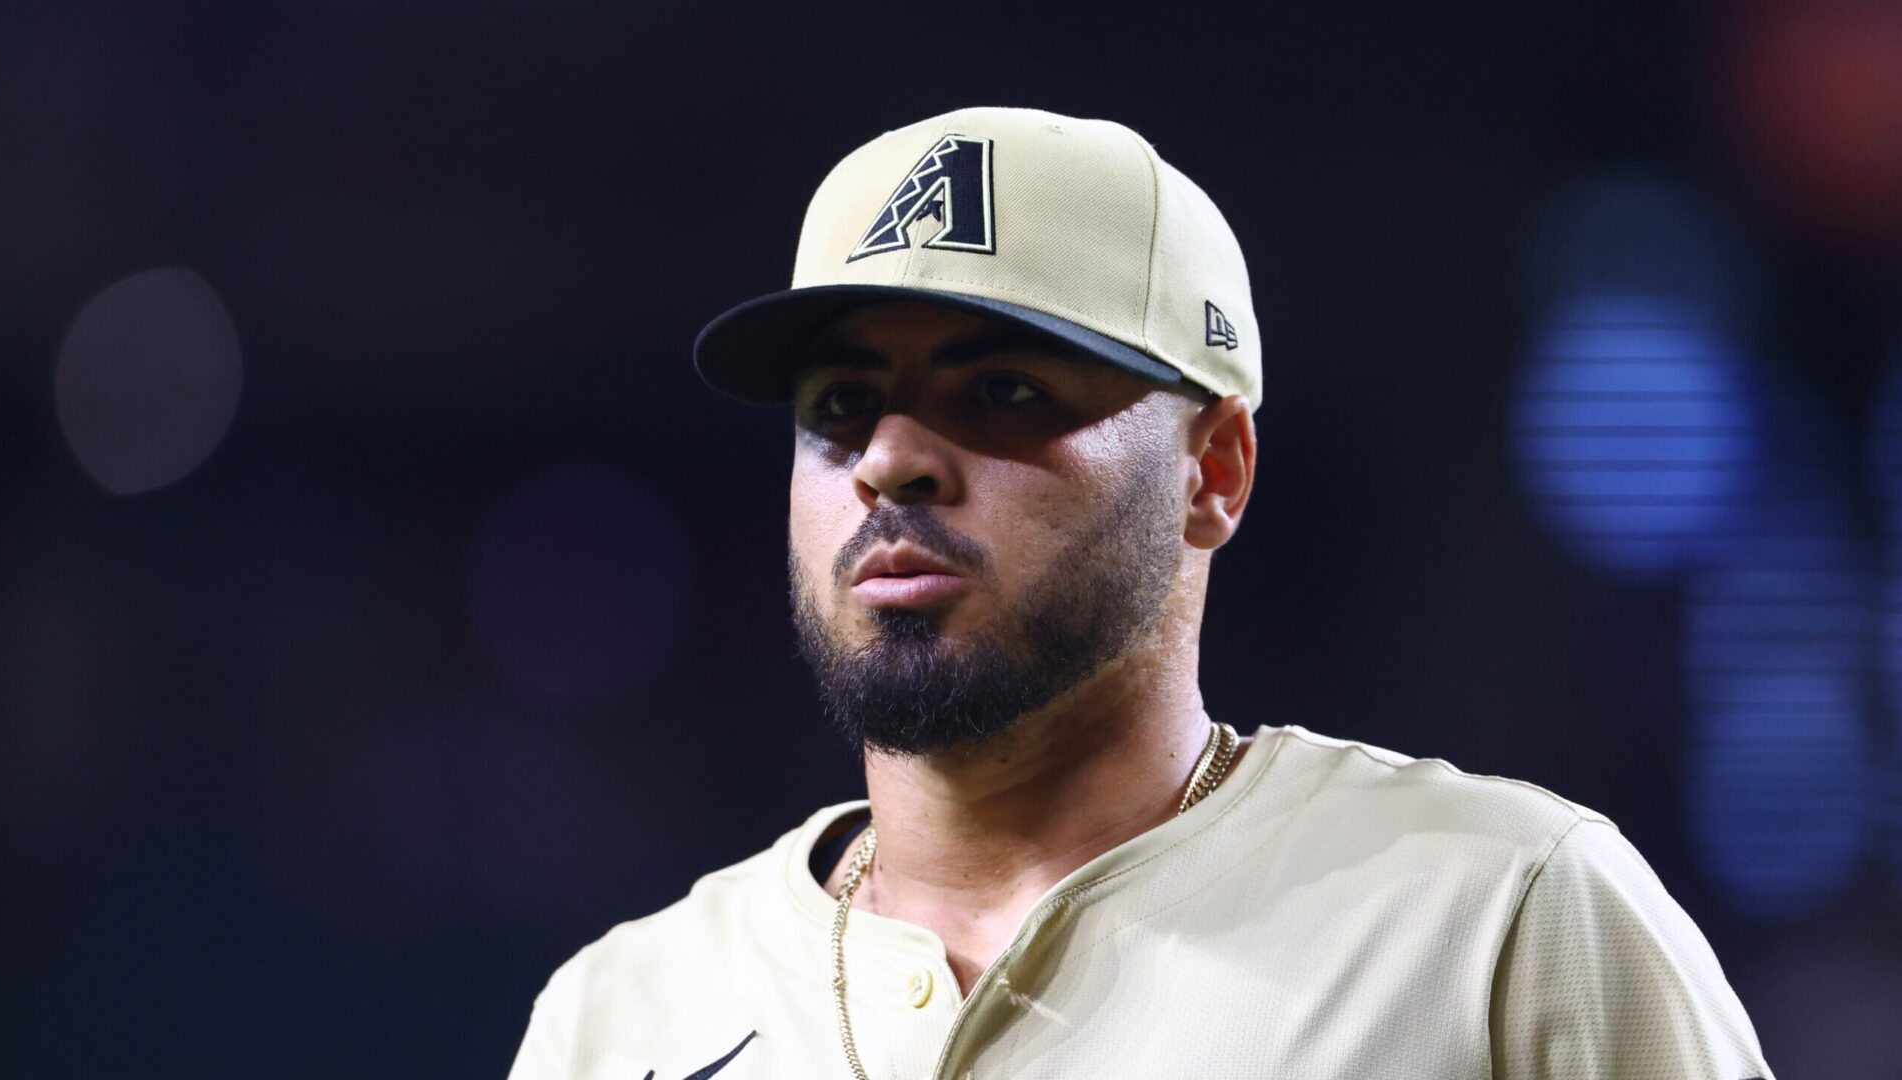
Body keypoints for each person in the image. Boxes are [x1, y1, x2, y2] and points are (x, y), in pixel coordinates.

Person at [505, 106, 1776, 1080]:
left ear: (1212, 471)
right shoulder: (620, 1016)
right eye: (840, 408)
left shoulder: (1495, 917)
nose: (890, 457)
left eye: (1000, 390)